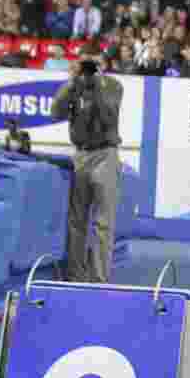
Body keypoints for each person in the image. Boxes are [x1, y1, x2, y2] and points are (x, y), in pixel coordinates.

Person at [51, 45, 124, 284]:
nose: (90, 69)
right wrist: (72, 83)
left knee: (104, 223)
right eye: (86, 64)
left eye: (95, 64)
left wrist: (99, 83)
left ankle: (99, 279)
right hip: (81, 156)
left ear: (103, 64)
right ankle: (76, 276)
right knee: (77, 221)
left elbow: (109, 116)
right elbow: (55, 113)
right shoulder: (74, 85)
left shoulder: (113, 86)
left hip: (106, 154)